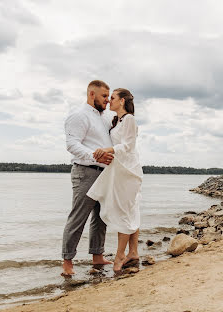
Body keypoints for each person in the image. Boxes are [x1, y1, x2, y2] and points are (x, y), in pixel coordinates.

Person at [61, 80, 115, 276]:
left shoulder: (105, 118)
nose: (107, 101)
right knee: (78, 217)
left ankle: (97, 256)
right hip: (86, 172)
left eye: (109, 97)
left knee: (101, 218)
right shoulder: (79, 115)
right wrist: (95, 155)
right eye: (104, 96)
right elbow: (71, 144)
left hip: (104, 173)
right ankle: (67, 261)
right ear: (91, 94)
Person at [87, 88, 143, 274]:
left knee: (124, 212)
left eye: (112, 98)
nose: (109, 100)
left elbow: (128, 146)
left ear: (122, 101)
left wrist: (107, 150)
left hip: (129, 171)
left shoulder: (129, 119)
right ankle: (133, 252)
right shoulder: (117, 121)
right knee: (130, 210)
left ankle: (120, 255)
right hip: (119, 170)